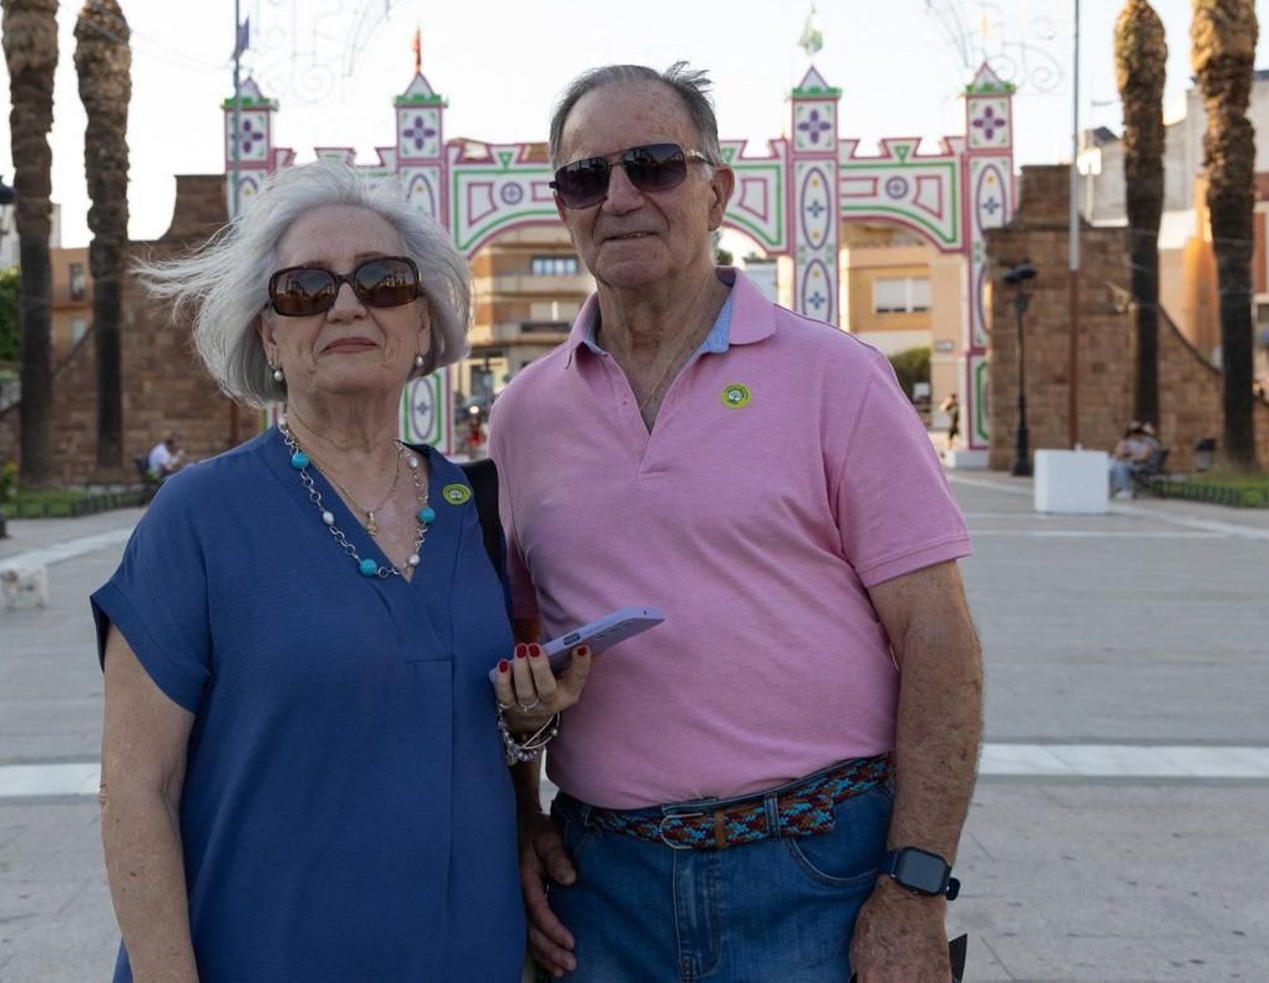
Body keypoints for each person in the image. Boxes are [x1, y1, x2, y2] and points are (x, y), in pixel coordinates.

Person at [490, 63, 982, 982]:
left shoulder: (838, 378)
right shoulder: (523, 416)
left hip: (820, 872)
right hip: (603, 889)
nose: (621, 196)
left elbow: (939, 637)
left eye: (654, 165)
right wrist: (522, 814)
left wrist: (913, 886)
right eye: (586, 177)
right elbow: (516, 651)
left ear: (718, 190)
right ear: (562, 207)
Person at [91, 160, 592, 981]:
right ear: (269, 333)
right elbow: (135, 787)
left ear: (425, 323)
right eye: (305, 289)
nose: (348, 303)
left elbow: (476, 735)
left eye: (383, 280)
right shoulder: (197, 518)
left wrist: (532, 727)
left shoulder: (480, 507)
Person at [1108, 421, 1161, 499]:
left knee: (1121, 465)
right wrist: (1125, 455)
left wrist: (1129, 457)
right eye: (1134, 432)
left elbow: (1145, 457)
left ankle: (1125, 490)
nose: (1137, 434)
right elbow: (1119, 452)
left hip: (1142, 465)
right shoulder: (1130, 441)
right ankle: (1115, 488)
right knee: (1113, 465)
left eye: (1140, 432)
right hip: (1132, 462)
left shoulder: (1150, 442)